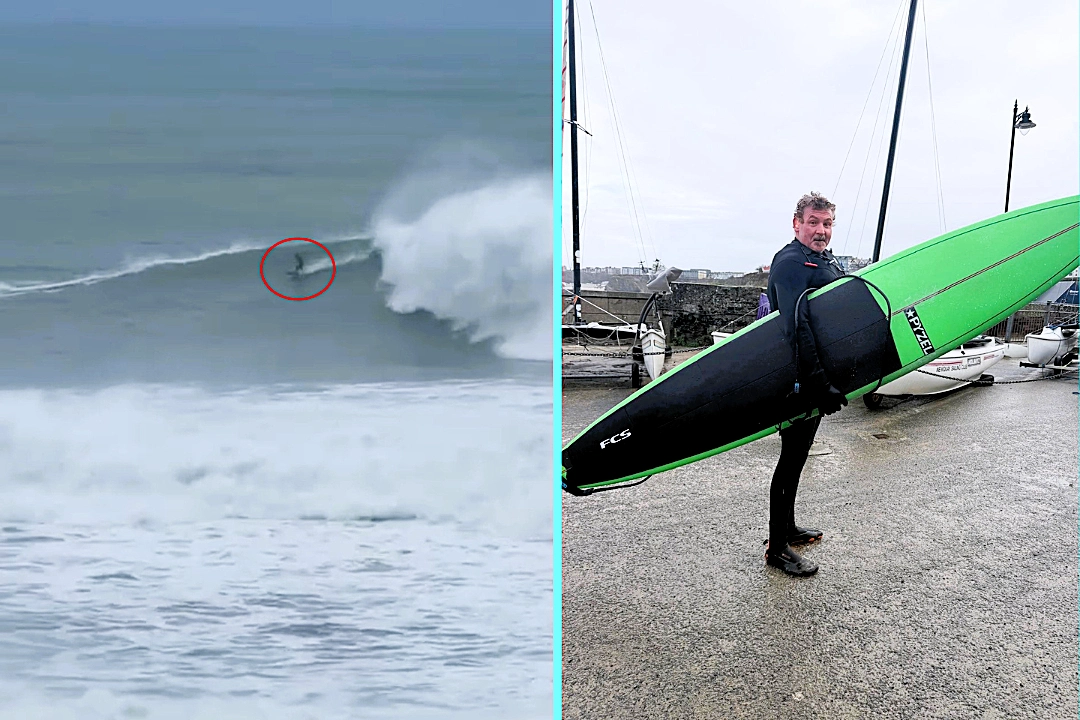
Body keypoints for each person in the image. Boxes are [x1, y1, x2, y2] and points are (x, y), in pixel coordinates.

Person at [763, 191, 848, 577]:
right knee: (790, 459)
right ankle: (777, 548)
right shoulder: (791, 263)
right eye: (813, 222)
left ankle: (789, 527)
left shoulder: (825, 259)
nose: (821, 230)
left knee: (799, 458)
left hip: (816, 374)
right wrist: (819, 384)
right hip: (796, 379)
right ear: (796, 224)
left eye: (827, 223)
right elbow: (797, 328)